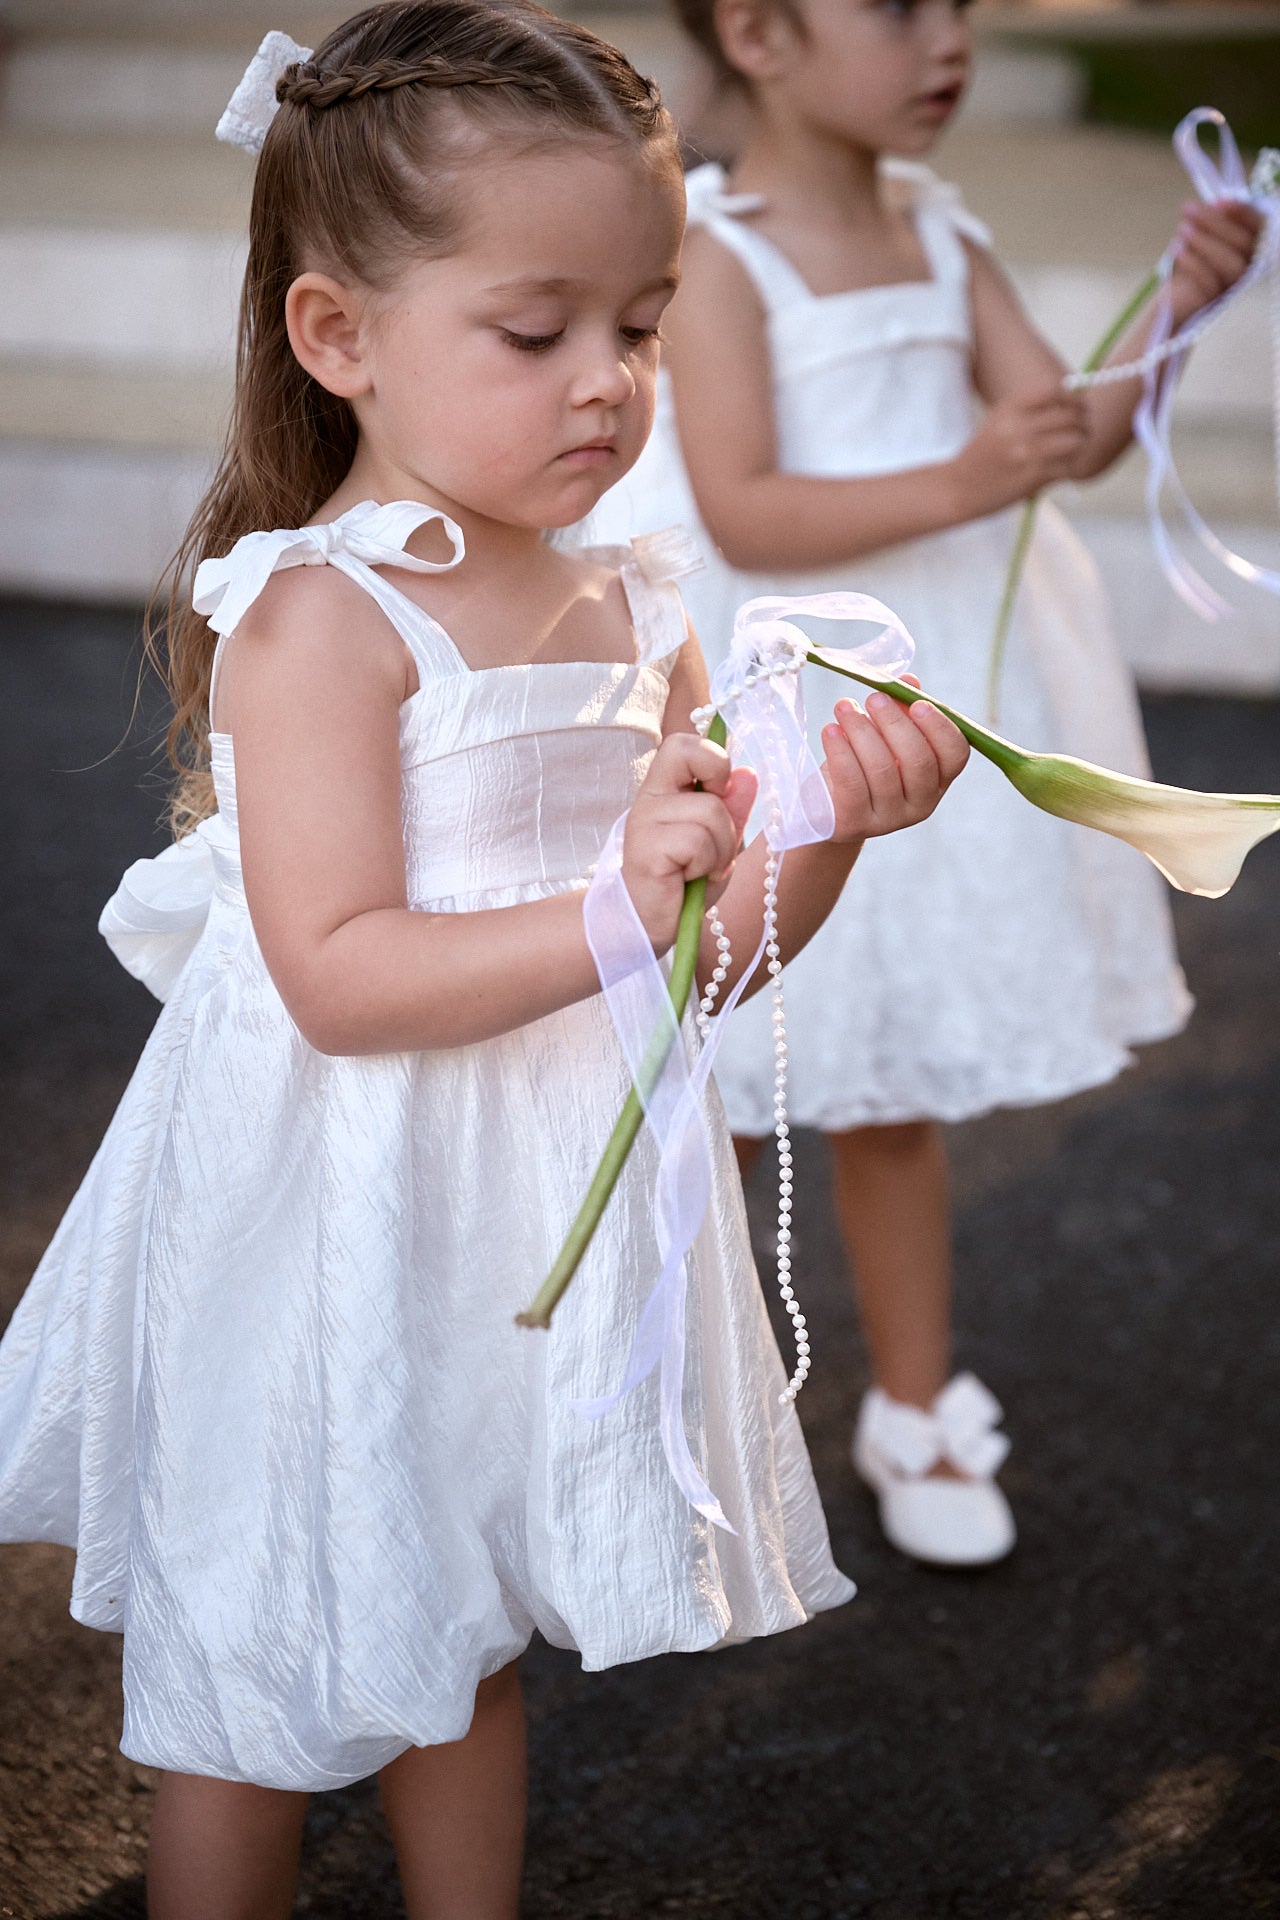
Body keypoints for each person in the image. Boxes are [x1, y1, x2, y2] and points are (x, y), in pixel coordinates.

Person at [0, 4, 969, 1914]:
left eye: (642, 321)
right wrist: (617, 899)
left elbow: (713, 963)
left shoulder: (639, 596)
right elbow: (344, 973)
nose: (608, 382)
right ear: (337, 336)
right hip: (330, 1206)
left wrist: (830, 835)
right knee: (255, 1656)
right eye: (538, 334)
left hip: (525, 1203)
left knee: (468, 1616)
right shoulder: (321, 621)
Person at [584, 0, 1261, 1569]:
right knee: (727, 1079)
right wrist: (969, 470)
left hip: (926, 710)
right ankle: (695, 1409)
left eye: (963, 8)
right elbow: (748, 510)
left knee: (881, 1092)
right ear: (757, 32)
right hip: (796, 692)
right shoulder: (722, 255)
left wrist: (1176, 308)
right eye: (902, 8)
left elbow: (1067, 439)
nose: (947, 39)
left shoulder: (945, 232)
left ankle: (910, 1397)